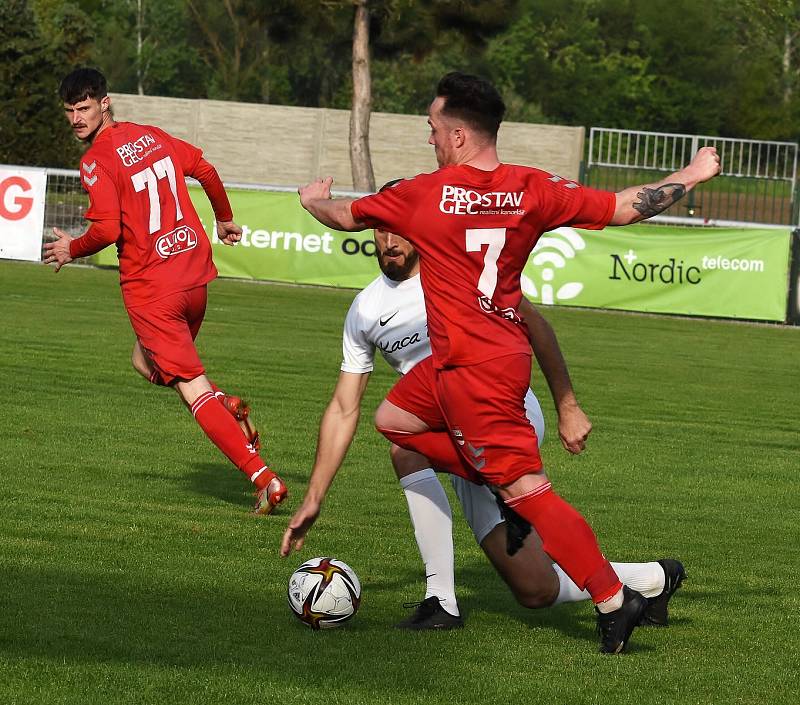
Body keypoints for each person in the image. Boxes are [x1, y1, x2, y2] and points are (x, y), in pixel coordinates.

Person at [290, 72, 720, 653]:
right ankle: (504, 498)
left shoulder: (426, 193)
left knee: (530, 494)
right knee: (393, 422)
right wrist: (691, 174)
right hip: (466, 364)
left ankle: (615, 601)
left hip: (477, 372)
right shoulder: (532, 187)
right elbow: (624, 207)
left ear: (460, 136)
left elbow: (344, 216)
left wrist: (312, 199)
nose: (431, 141)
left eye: (434, 130)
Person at [281, 201, 685, 631]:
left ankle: (440, 600)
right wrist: (314, 498)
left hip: (504, 414)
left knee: (404, 451)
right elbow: (344, 407)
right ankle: (653, 579)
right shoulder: (365, 309)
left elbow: (537, 328)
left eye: (397, 229)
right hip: (449, 437)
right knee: (535, 590)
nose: (389, 240)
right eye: (379, 230)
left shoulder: (462, 275)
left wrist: (568, 405)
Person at [43, 67, 287, 515]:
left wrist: (70, 248)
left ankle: (264, 478)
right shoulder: (150, 135)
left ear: (104, 103)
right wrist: (224, 218)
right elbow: (206, 169)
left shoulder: (96, 160)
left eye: (83, 108)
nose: (76, 118)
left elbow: (106, 230)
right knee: (144, 362)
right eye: (70, 111)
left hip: (153, 289)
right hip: (194, 277)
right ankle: (226, 405)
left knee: (192, 390)